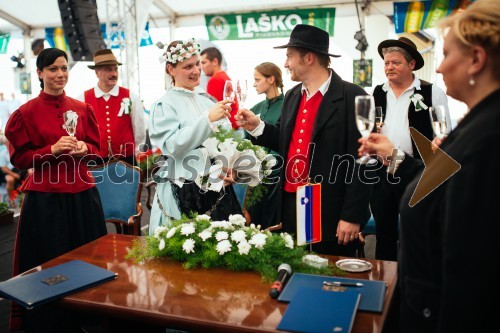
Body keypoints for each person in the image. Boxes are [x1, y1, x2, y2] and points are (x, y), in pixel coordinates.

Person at [359, 1, 500, 331]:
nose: (438, 68)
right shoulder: (478, 125)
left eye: (447, 55)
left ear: (476, 60)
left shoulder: (487, 137)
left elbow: (469, 259)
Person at [236, 24, 372, 256]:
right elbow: (285, 140)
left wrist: (352, 215)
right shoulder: (291, 95)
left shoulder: (355, 96)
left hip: (331, 205)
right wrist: (257, 126)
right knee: (299, 269)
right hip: (293, 201)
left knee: (330, 274)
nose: (286, 63)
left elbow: (366, 159)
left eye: (289, 56)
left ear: (309, 58)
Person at [4, 48, 107, 332]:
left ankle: (90, 314)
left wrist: (85, 148)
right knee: (50, 261)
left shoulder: (84, 109)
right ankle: (52, 320)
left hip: (83, 195)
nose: (60, 74)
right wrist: (51, 150)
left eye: (63, 68)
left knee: (89, 257)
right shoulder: (24, 113)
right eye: (52, 69)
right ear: (39, 73)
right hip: (46, 198)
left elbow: (98, 153)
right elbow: (20, 159)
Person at [370, 36, 452, 261]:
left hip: (417, 175)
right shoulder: (377, 93)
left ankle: (411, 287)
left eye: (395, 62)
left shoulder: (432, 93)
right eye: (386, 63)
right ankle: (386, 287)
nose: (389, 67)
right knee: (383, 236)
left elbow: (443, 136)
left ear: (411, 64)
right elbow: (368, 132)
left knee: (415, 235)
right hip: (382, 176)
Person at [148, 38, 242, 235]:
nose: (196, 70)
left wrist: (228, 164)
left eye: (198, 64)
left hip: (217, 186)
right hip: (183, 186)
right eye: (187, 66)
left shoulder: (207, 100)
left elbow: (223, 140)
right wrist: (207, 120)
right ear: (170, 69)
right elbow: (171, 146)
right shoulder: (165, 104)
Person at [78, 49, 146, 166]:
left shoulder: (131, 97)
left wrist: (137, 152)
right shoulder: (82, 99)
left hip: (126, 159)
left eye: (115, 69)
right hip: (95, 160)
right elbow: (80, 132)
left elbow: (139, 128)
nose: (114, 73)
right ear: (97, 73)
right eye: (108, 69)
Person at [244, 62, 284, 229]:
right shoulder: (255, 109)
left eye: (257, 79)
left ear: (271, 79)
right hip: (256, 178)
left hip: (279, 178)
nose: (254, 84)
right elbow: (245, 142)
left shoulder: (288, 105)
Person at [200, 46, 239, 129]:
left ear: (215, 61)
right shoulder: (225, 77)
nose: (201, 67)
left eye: (204, 63)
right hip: (234, 124)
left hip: (227, 128)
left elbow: (213, 108)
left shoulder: (215, 80)